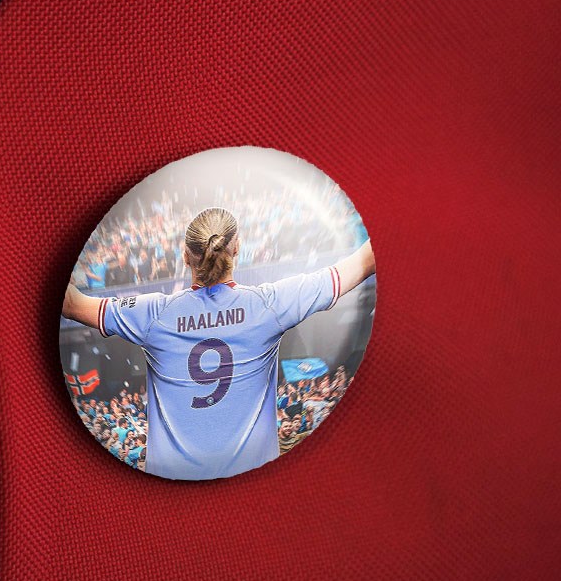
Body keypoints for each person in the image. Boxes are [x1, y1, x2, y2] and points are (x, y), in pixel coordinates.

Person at [63, 206, 375, 480]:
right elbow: (361, 263)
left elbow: (73, 304)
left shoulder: (154, 314)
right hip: (251, 490)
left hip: (172, 494)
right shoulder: (269, 305)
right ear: (237, 248)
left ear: (185, 256)